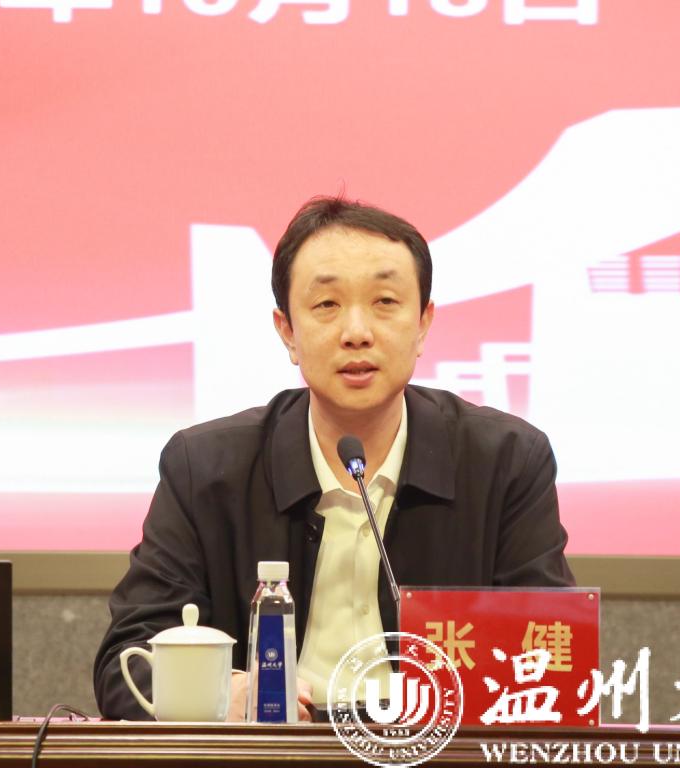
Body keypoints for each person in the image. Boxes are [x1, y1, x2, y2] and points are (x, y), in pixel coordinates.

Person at [93, 196, 574, 721]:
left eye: (385, 301)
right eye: (326, 305)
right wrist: (217, 698)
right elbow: (126, 661)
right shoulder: (205, 469)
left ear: (423, 323)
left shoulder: (505, 462)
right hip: (270, 756)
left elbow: (550, 664)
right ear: (287, 331)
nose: (357, 332)